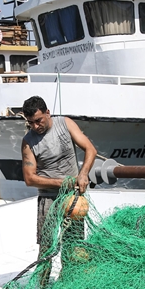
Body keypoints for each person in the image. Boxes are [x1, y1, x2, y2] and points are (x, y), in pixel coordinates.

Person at [20, 95, 96, 258]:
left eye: (38, 120)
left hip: (73, 198)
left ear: (48, 112)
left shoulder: (65, 123)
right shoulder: (28, 142)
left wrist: (83, 174)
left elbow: (90, 149)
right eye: (31, 122)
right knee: (46, 248)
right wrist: (63, 182)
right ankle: (42, 282)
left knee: (74, 245)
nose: (35, 126)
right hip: (48, 200)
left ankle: (69, 280)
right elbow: (30, 179)